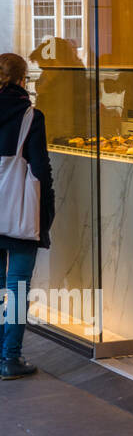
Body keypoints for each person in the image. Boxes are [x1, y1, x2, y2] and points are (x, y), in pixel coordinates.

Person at [0, 53, 55, 380]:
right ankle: (10, 358)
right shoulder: (31, 117)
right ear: (23, 80)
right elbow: (40, 169)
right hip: (18, 216)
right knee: (17, 287)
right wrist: (46, 211)